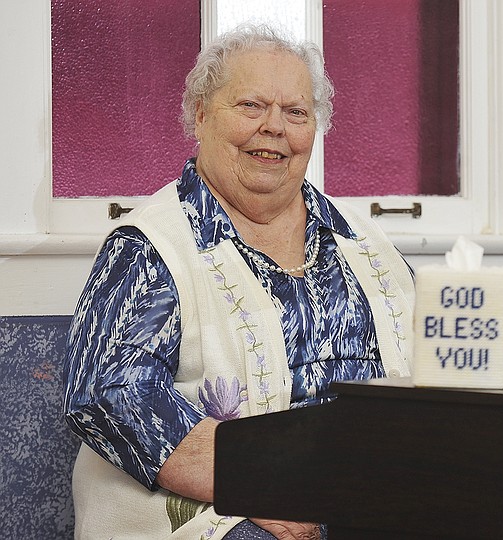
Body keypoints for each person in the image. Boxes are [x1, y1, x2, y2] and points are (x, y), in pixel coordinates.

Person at [63, 23, 414, 539]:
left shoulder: (366, 243)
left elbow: (435, 361)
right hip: (231, 506)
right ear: (201, 115)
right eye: (251, 106)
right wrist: (257, 482)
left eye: (295, 112)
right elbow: (106, 394)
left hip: (374, 494)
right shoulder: (149, 247)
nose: (274, 127)